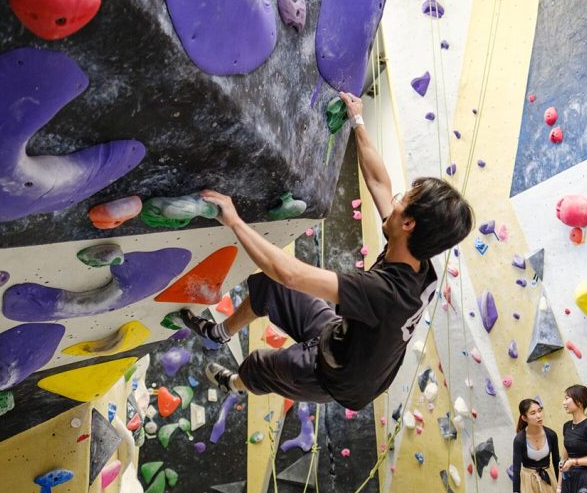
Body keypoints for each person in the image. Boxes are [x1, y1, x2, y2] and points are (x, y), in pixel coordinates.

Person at [180, 91, 474, 411]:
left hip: (334, 377)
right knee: (269, 285)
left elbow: (292, 274)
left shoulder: (382, 292)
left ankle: (232, 385)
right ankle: (218, 334)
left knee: (258, 365)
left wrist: (234, 221)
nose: (395, 199)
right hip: (343, 341)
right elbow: (379, 183)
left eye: (403, 201)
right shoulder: (420, 260)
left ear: (409, 225)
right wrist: (357, 120)